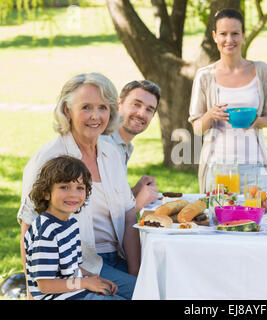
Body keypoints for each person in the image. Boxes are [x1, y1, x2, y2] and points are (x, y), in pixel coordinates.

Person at [18, 73, 139, 300]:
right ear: (67, 111)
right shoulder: (48, 158)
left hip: (116, 259)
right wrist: (33, 295)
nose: (95, 116)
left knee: (156, 291)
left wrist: (136, 273)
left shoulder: (111, 153)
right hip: (77, 267)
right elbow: (28, 227)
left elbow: (128, 213)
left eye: (102, 107)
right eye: (86, 107)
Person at [188, 8, 267, 194]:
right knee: (219, 221)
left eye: (235, 34)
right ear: (215, 36)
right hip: (218, 167)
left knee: (261, 219)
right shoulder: (204, 76)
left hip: (255, 166)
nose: (229, 40)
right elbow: (197, 128)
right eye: (223, 34)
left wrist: (256, 121)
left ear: (243, 36)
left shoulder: (261, 71)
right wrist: (210, 115)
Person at [25, 155, 125, 300]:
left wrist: (93, 278)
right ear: (46, 193)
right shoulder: (46, 232)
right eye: (64, 187)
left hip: (75, 291)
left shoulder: (70, 224)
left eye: (80, 187)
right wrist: (85, 283)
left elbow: (72, 268)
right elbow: (45, 285)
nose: (73, 194)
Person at [101, 80, 161, 207]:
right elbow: (103, 214)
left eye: (149, 110)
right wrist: (138, 203)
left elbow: (113, 199)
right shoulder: (104, 145)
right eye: (136, 104)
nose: (141, 114)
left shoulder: (125, 146)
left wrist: (135, 191)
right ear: (119, 104)